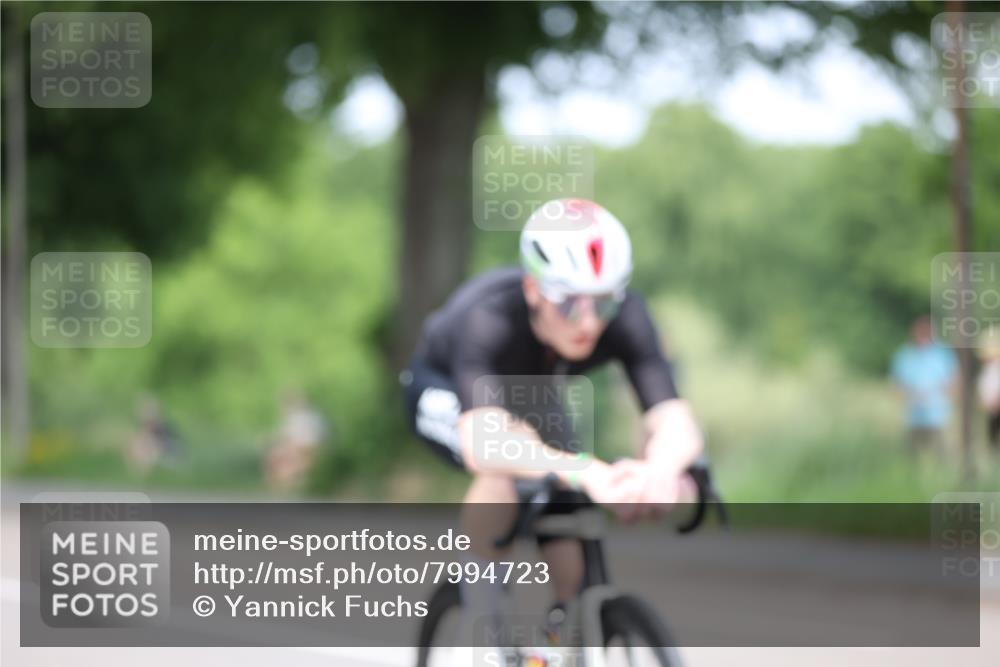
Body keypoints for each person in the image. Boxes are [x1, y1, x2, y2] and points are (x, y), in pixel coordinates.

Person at [400, 198, 704, 642]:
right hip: (445, 389)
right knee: (502, 473)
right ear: (532, 290)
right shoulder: (487, 317)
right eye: (568, 305)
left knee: (570, 534)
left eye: (602, 305)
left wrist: (661, 470)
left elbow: (673, 418)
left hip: (533, 393)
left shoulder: (628, 315)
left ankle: (558, 641)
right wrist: (588, 470)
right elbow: (485, 442)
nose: (588, 323)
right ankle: (480, 625)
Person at [890, 316, 959, 456]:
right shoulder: (905, 354)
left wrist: (941, 393)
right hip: (913, 415)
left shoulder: (942, 354)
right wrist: (910, 394)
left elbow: (954, 380)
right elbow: (896, 382)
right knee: (913, 455)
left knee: (941, 454)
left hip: (939, 414)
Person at [264, 390, 328, 492]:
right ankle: (282, 483)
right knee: (276, 454)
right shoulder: (300, 417)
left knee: (279, 455)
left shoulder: (305, 417)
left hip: (305, 447)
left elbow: (291, 436)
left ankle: (285, 483)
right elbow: (284, 434)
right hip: (303, 446)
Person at [977, 332, 1000, 457]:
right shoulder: (988, 368)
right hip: (992, 410)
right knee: (992, 442)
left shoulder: (995, 367)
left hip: (995, 409)